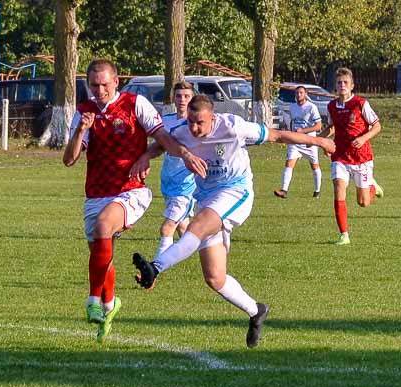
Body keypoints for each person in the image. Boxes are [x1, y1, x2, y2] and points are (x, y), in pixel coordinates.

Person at [131, 95, 335, 348]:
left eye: (201, 123)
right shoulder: (183, 132)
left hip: (236, 192)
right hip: (207, 199)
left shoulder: (233, 126)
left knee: (196, 226)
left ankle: (156, 267)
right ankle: (255, 311)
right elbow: (162, 144)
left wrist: (319, 141)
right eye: (192, 122)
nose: (195, 128)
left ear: (212, 117)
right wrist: (145, 157)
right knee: (214, 277)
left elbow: (278, 135)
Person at [63, 59, 195, 344]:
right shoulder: (84, 112)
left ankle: (93, 301)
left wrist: (182, 154)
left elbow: (162, 138)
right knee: (101, 252)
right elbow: (69, 159)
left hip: (130, 189)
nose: (99, 90)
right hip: (96, 193)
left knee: (102, 228)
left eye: (104, 84)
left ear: (116, 82)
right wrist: (80, 130)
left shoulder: (136, 104)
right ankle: (110, 305)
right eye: (94, 85)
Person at [320, 67, 383, 245]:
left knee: (363, 202)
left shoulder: (360, 103)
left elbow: (377, 126)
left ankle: (372, 186)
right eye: (339, 82)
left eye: (345, 82)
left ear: (352, 85)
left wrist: (363, 138)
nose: (342, 85)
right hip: (340, 155)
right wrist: (320, 142)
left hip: (361, 157)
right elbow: (331, 127)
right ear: (336, 86)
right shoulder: (331, 106)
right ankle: (344, 235)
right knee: (339, 189)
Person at [153, 82, 197, 261]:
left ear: (193, 98)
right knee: (183, 228)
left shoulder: (196, 124)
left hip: (187, 185)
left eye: (186, 96)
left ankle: (155, 268)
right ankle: (209, 252)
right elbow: (156, 145)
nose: (182, 100)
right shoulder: (167, 121)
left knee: (167, 228)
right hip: (168, 182)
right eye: (179, 96)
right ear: (173, 98)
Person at [274, 86, 323, 199]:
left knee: (314, 166)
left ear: (305, 94)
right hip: (295, 141)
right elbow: (292, 123)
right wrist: (290, 134)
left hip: (309, 141)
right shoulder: (293, 107)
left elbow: (318, 126)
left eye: (301, 92)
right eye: (297, 93)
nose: (298, 95)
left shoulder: (311, 107)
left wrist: (303, 131)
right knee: (289, 163)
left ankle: (317, 191)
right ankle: (284, 190)